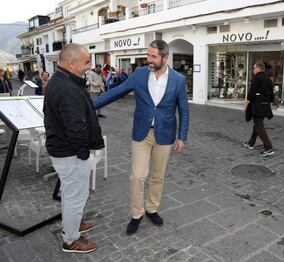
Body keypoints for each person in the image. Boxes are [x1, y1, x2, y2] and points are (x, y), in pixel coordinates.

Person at [94, 40, 189, 235]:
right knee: (137, 176)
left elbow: (184, 111)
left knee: (158, 176)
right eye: (148, 56)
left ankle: (152, 208)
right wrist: (89, 105)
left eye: (153, 57)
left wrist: (182, 136)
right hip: (142, 133)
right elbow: (116, 92)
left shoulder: (178, 79)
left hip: (165, 134)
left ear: (165, 57)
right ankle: (136, 214)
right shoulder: (139, 74)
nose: (149, 60)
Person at [43, 43, 105, 253]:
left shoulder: (62, 81)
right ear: (71, 63)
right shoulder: (67, 88)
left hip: (65, 151)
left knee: (70, 195)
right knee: (76, 197)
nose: (89, 66)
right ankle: (71, 240)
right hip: (71, 154)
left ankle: (73, 225)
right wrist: (83, 155)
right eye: (86, 62)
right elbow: (76, 128)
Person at [243, 62, 274, 157]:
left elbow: (252, 91)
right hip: (265, 103)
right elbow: (271, 92)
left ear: (258, 68)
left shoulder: (256, 78)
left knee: (259, 126)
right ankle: (251, 143)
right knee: (257, 124)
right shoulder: (268, 78)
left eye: (253, 68)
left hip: (258, 104)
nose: (253, 70)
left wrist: (246, 103)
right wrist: (271, 102)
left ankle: (268, 147)